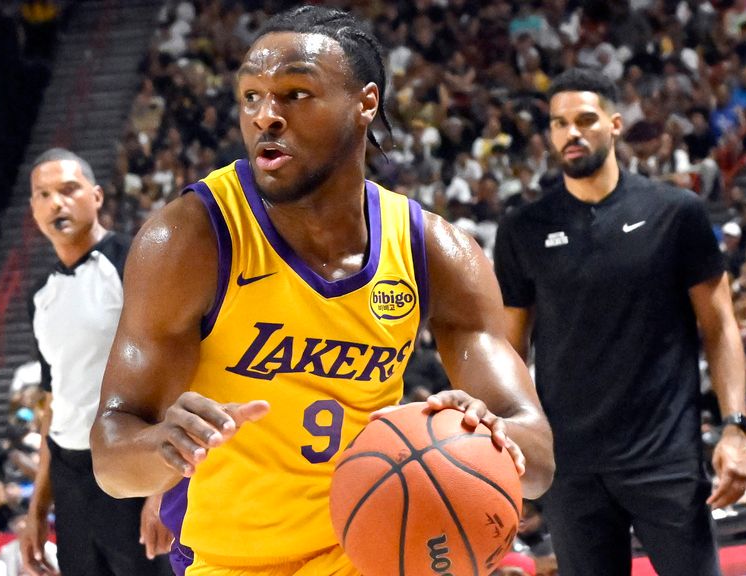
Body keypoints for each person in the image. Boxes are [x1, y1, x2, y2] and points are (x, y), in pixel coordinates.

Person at [90, 7, 554, 576]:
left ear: (366, 103)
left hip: (370, 550)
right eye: (251, 97)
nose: (267, 117)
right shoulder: (190, 238)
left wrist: (487, 434)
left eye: (296, 94)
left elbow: (537, 459)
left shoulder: (434, 250)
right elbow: (112, 457)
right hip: (230, 558)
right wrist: (164, 445)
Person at [493, 68, 746, 576]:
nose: (572, 133)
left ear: (613, 124)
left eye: (585, 119)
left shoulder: (676, 212)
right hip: (570, 465)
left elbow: (720, 326)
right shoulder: (523, 229)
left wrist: (734, 429)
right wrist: (507, 443)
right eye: (559, 123)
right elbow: (507, 350)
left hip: (665, 455)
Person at [20, 149, 169, 576]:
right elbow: (54, 403)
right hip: (70, 479)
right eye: (43, 195)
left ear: (97, 195)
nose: (57, 204)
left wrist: (164, 488)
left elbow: (175, 372)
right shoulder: (40, 294)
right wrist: (37, 507)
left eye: (69, 190)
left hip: (131, 464)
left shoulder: (134, 262)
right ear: (32, 209)